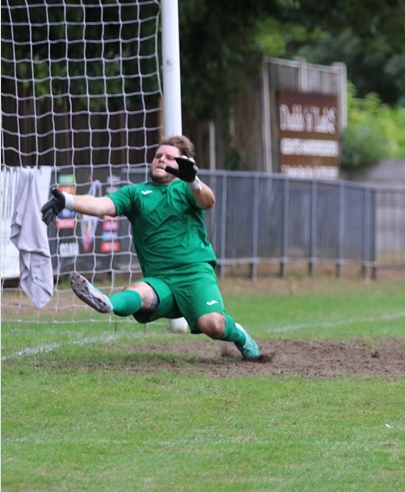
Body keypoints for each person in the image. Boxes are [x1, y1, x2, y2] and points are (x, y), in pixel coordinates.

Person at [40, 135, 260, 359]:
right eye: (158, 156)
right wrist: (67, 200)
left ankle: (241, 337)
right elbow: (101, 205)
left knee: (212, 325)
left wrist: (193, 180)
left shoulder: (187, 189)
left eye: (169, 157)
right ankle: (107, 303)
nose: (161, 159)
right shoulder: (134, 193)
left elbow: (208, 201)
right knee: (139, 292)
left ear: (182, 164)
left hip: (195, 275)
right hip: (160, 280)